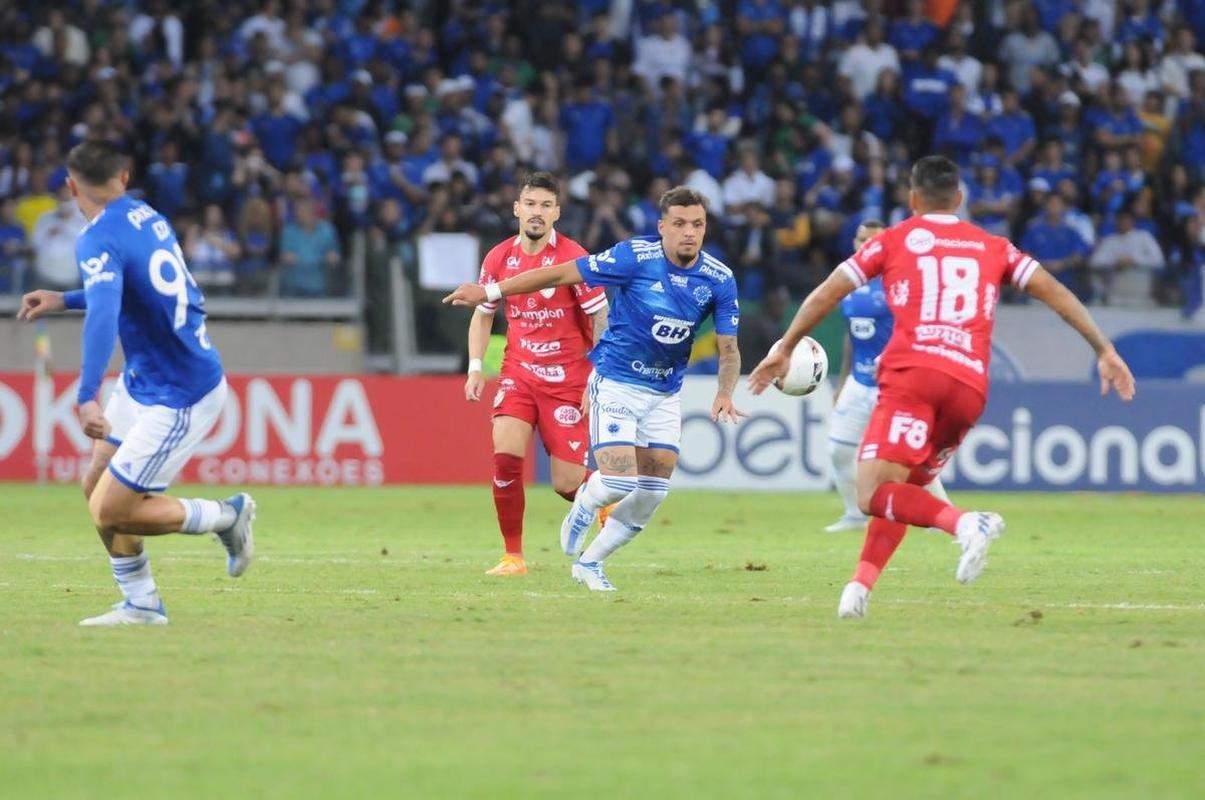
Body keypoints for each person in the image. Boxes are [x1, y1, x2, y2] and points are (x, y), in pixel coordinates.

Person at [749, 156, 1135, 619]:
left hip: (914, 377)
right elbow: (1054, 291)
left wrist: (786, 346)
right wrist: (1104, 349)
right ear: (960, 198)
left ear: (912, 200)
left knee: (871, 492)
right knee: (904, 489)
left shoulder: (894, 240)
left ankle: (967, 523)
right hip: (969, 387)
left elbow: (827, 292)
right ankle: (859, 587)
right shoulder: (993, 246)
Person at [444, 186, 744, 592]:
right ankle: (537, 538)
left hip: (662, 393)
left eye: (697, 224)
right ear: (662, 228)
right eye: (679, 224)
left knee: (652, 492)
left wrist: (725, 392)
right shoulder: (633, 257)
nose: (689, 232)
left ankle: (590, 562)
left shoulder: (719, 278)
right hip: (615, 379)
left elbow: (729, 350)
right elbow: (558, 274)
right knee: (618, 480)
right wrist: (492, 294)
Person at [16, 140, 256, 627]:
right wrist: (64, 298)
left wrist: (85, 396)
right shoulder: (145, 215)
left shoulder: (96, 237)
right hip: (146, 378)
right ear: (122, 177)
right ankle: (142, 604)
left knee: (112, 510)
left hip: (181, 391)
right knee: (95, 488)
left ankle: (226, 516)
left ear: (70, 186)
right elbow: (125, 289)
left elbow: (106, 313)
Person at [464, 172, 610, 576]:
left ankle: (605, 498)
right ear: (517, 209)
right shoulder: (498, 258)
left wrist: (597, 375)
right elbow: (482, 316)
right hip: (519, 375)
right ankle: (513, 556)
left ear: (557, 213)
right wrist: (476, 368)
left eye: (546, 205)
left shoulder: (573, 256)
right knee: (505, 456)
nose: (537, 212)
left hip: (568, 379)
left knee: (566, 484)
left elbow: (600, 315)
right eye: (530, 204)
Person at [825, 219, 950, 534]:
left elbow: (917, 329)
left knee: (911, 458)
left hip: (894, 383)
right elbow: (852, 336)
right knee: (839, 450)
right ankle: (854, 515)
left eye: (873, 240)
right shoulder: (849, 281)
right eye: (861, 239)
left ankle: (944, 516)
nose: (866, 245)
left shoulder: (902, 280)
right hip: (859, 382)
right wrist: (842, 381)